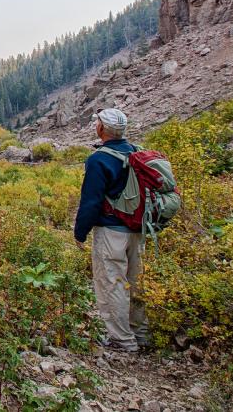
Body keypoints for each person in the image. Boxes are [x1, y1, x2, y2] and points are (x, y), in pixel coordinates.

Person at [73, 107, 149, 352]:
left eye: (97, 122)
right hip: (139, 229)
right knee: (136, 281)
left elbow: (91, 201)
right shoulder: (137, 152)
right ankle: (141, 333)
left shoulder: (98, 159)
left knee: (113, 282)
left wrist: (80, 232)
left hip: (111, 231)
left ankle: (121, 340)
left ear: (102, 128)